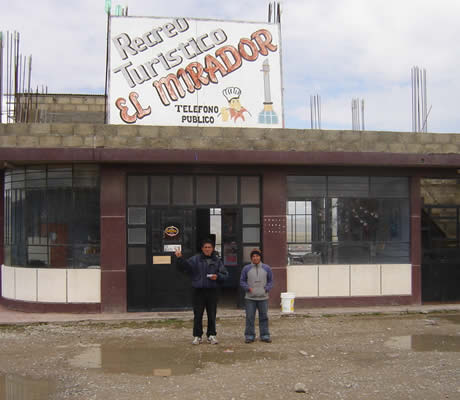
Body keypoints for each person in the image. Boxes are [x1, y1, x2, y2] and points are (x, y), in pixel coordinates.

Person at [175, 239, 228, 345]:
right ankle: (197, 336)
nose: (207, 249)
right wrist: (180, 258)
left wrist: (217, 277)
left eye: (209, 247)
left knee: (212, 314)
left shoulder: (217, 261)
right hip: (198, 291)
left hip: (212, 291)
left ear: (212, 249)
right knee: (198, 314)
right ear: (202, 249)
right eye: (205, 247)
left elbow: (225, 275)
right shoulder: (195, 259)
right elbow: (185, 267)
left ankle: (211, 335)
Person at [240, 249, 273, 343]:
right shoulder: (246, 268)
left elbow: (271, 281)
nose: (255, 258)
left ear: (260, 257)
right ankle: (249, 336)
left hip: (263, 297)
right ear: (251, 258)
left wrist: (266, 288)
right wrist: (248, 288)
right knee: (250, 317)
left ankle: (265, 335)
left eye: (257, 256)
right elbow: (242, 281)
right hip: (250, 298)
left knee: (264, 317)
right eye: (253, 256)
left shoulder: (267, 268)